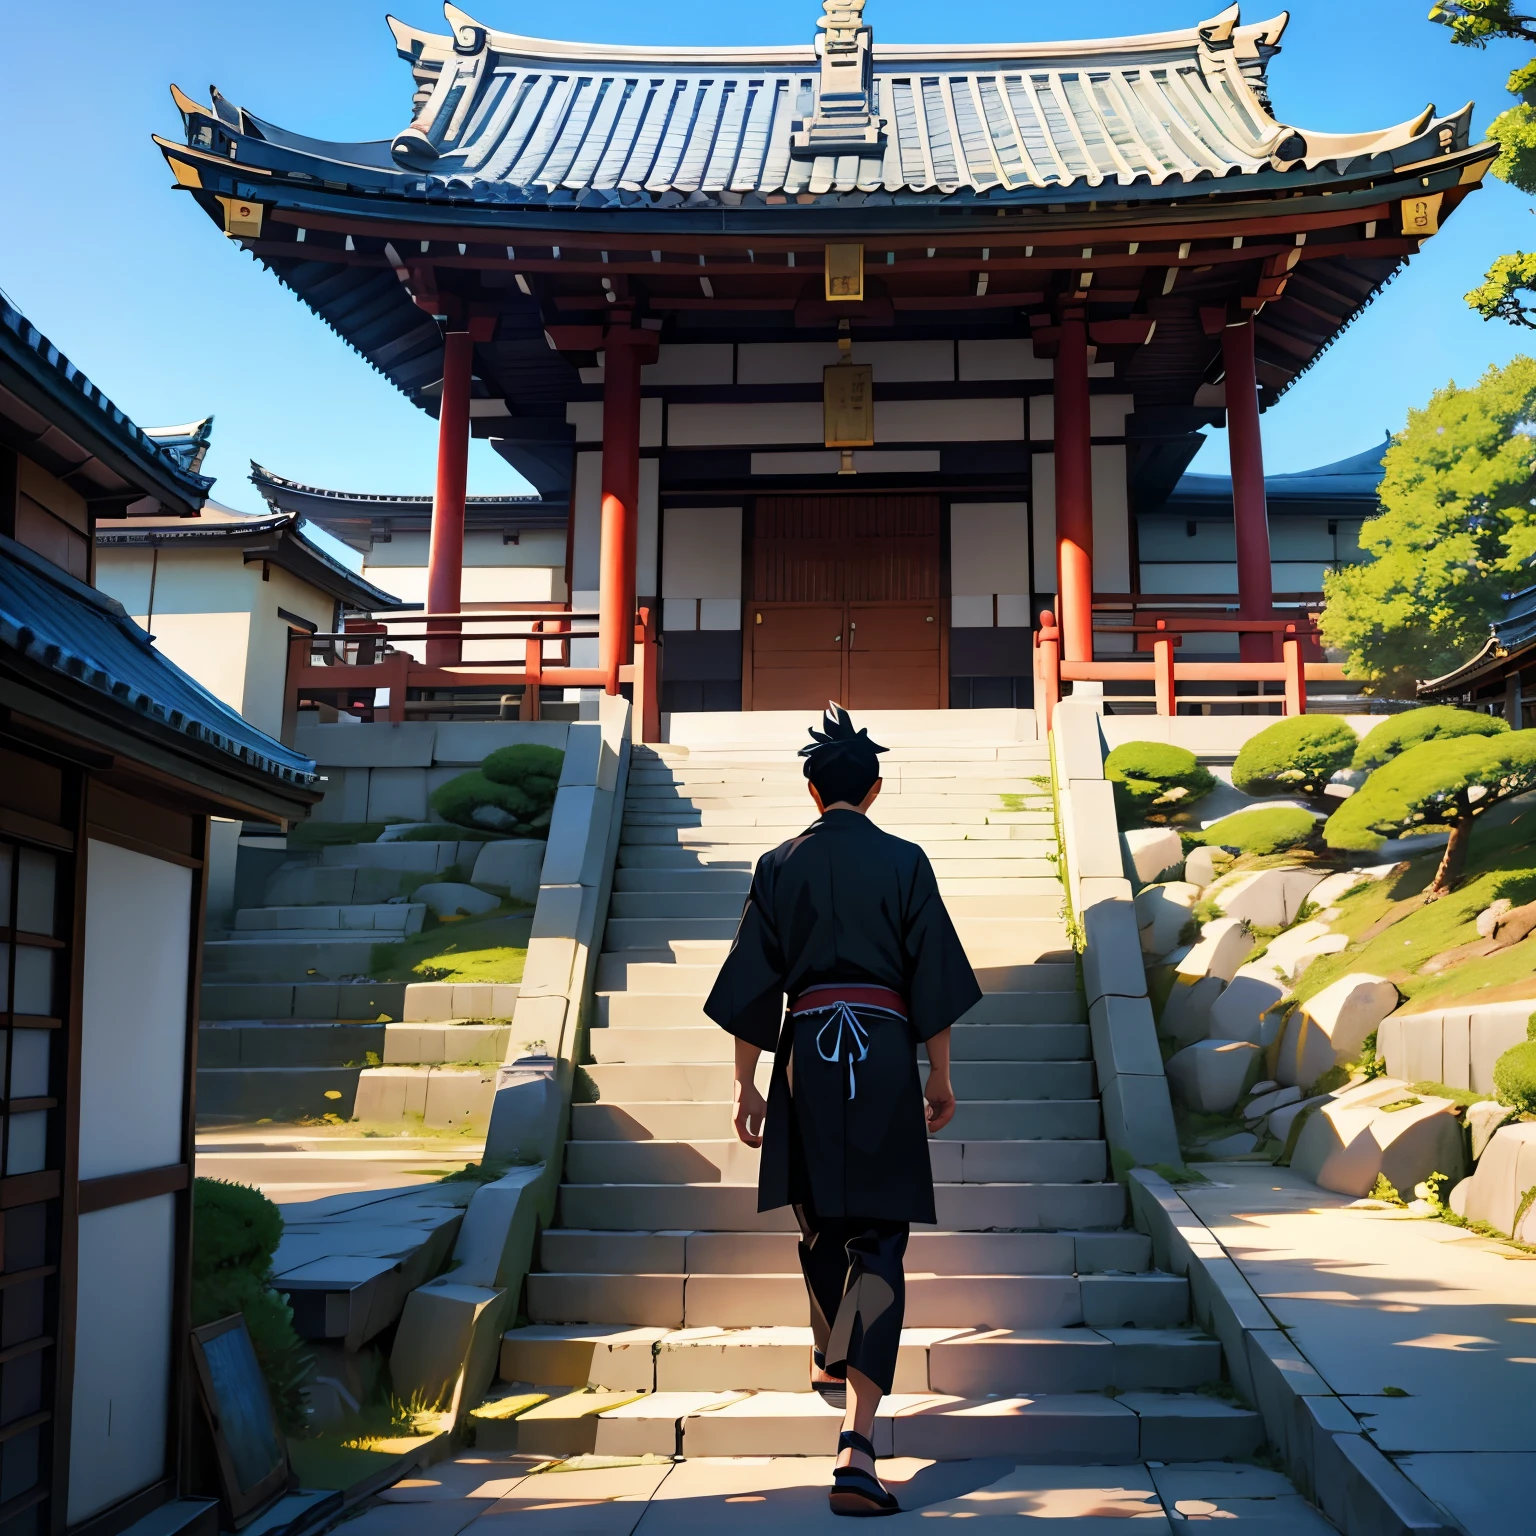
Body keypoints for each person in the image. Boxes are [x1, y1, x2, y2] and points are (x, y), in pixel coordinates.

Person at [704, 704, 982, 1517]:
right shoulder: (906, 861)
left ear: (812, 788)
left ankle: (837, 1361)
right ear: (876, 788)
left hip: (807, 1055)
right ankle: (858, 1447)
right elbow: (932, 972)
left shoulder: (778, 863)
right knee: (880, 1241)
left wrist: (746, 1083)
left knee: (824, 1223)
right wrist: (939, 1076)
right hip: (887, 1052)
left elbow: (755, 982)